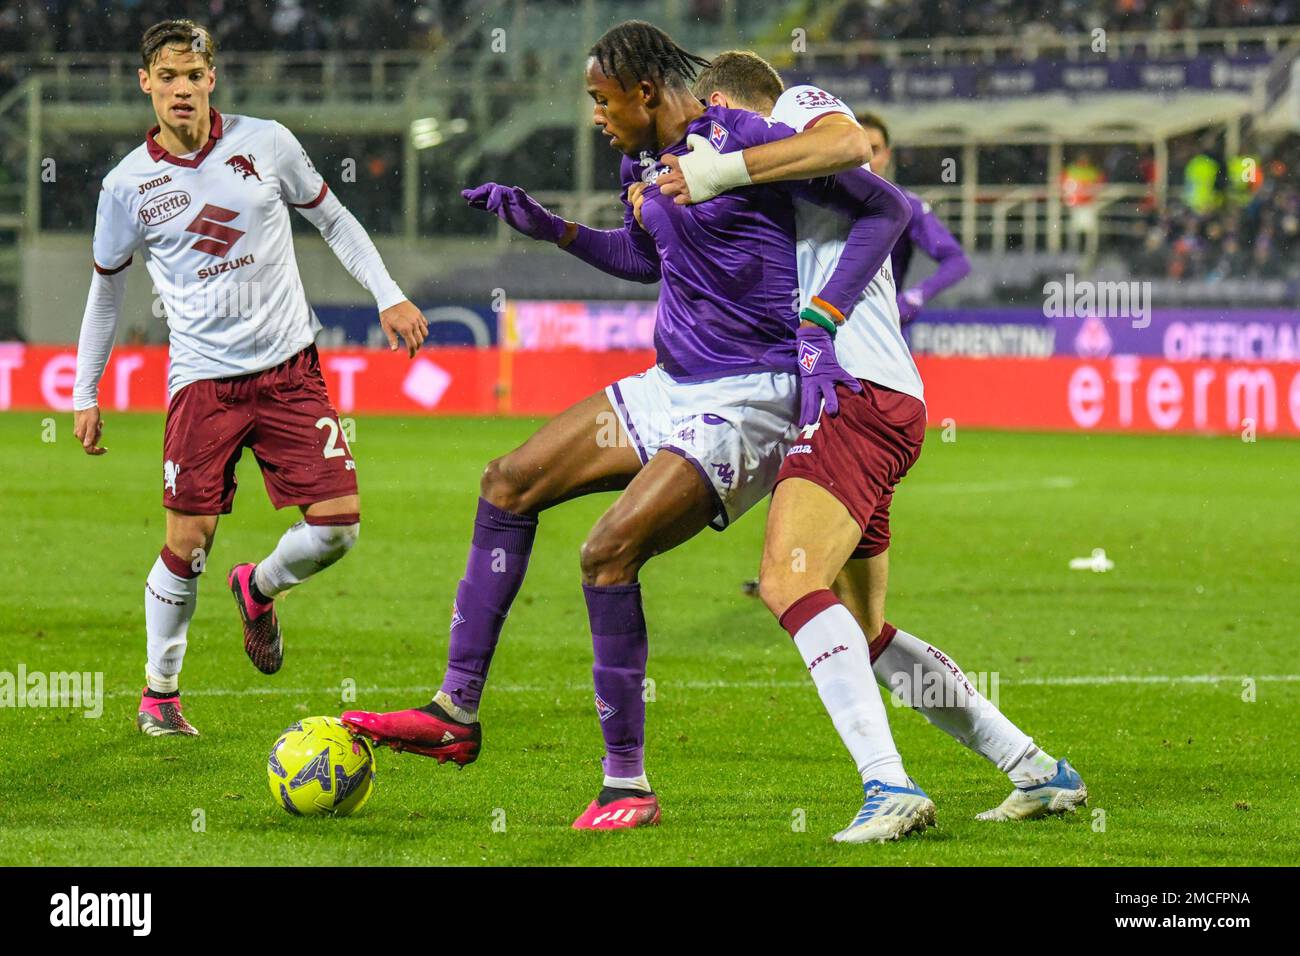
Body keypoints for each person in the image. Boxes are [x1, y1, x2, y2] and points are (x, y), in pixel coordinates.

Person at [341, 20, 902, 830]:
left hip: (752, 398)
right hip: (671, 383)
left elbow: (880, 201)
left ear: (646, 91)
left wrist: (820, 320)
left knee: (607, 553)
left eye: (604, 101)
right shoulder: (638, 160)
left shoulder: (741, 135)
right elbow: (648, 258)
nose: (597, 117)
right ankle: (454, 712)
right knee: (508, 480)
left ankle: (626, 784)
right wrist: (553, 230)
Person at [660, 52, 1087, 840]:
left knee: (789, 583)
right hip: (874, 397)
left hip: (854, 391)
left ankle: (887, 786)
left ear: (718, 99)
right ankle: (1035, 769)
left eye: (700, 113)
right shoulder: (770, 172)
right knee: (859, 628)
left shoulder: (791, 115)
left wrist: (723, 174)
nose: (696, 132)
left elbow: (855, 150)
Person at [72, 19, 428, 737]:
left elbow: (334, 219)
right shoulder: (125, 186)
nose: (181, 89)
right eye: (166, 77)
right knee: (189, 541)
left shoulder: (266, 141)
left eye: (193, 76)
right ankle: (160, 694)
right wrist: (86, 391)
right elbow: (106, 289)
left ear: (212, 79)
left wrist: (387, 291)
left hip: (291, 369)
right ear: (146, 83)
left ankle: (259, 586)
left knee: (338, 529)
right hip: (203, 382)